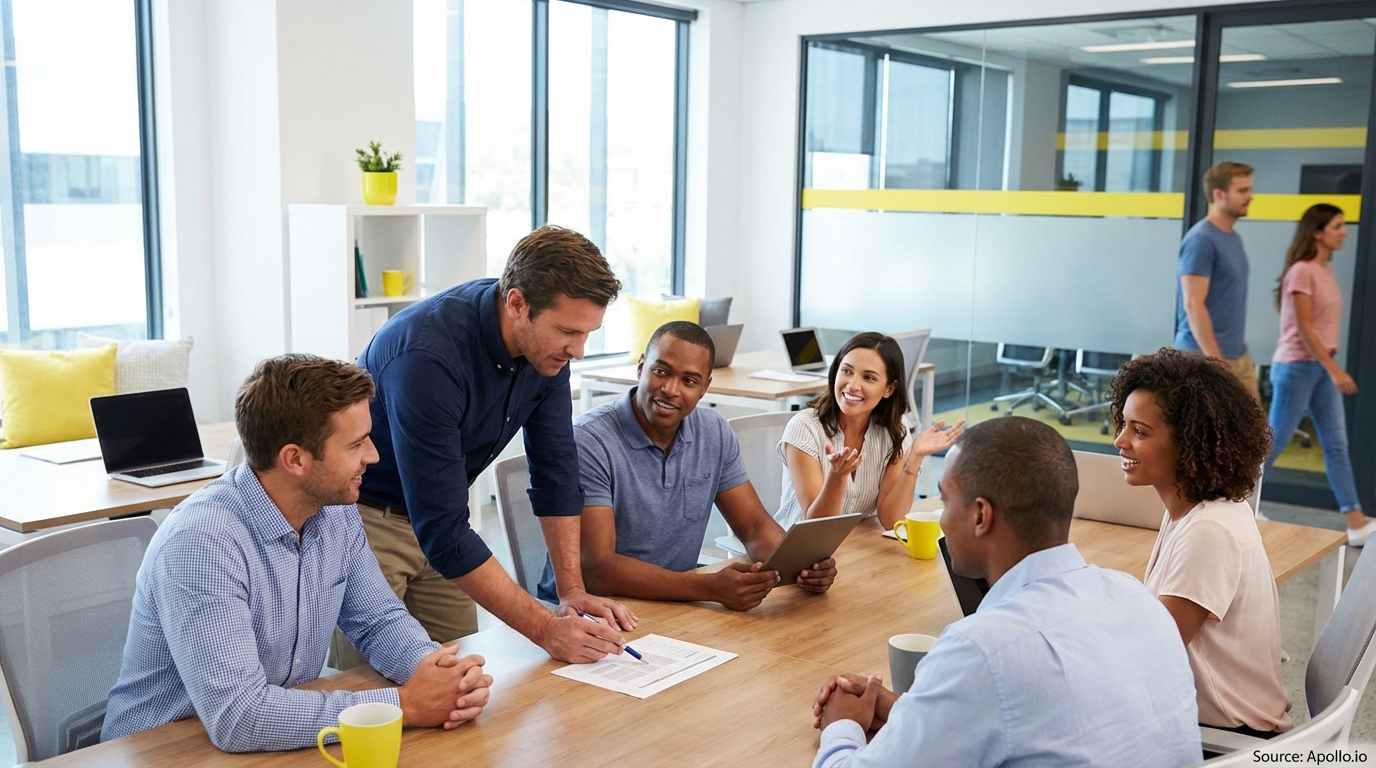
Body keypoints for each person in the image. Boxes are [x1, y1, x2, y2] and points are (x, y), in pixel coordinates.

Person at [102, 355, 493, 752]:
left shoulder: (335, 513)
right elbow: (240, 717)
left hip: (265, 739)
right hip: (166, 750)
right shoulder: (202, 544)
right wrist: (404, 706)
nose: (373, 456)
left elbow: (378, 621)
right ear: (295, 459)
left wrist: (442, 676)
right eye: (356, 444)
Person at [810, 417, 1199, 768]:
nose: (943, 517)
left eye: (945, 500)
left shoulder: (982, 648)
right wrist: (913, 712)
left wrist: (842, 725)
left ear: (981, 515)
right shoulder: (1136, 598)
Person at [335, 225, 635, 671]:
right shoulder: (428, 357)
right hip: (365, 522)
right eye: (568, 331)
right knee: (371, 691)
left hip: (446, 523)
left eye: (588, 333)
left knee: (465, 675)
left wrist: (570, 593)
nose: (579, 350)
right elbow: (442, 529)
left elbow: (555, 470)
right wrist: (545, 628)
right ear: (517, 303)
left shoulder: (546, 352)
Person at [537, 321, 837, 611]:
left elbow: (755, 528)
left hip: (675, 606)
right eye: (660, 371)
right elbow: (597, 568)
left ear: (705, 387)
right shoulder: (590, 440)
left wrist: (801, 568)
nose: (670, 389)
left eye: (689, 381)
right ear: (641, 367)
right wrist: (707, 588)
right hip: (592, 612)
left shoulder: (713, 431)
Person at [1111, 348, 1293, 737]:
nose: (1119, 441)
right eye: (1123, 424)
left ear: (1190, 444)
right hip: (1204, 719)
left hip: (1225, 737)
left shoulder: (1208, 530)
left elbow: (1151, 652)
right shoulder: (1196, 506)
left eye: (1139, 431)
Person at [775, 332, 963, 531]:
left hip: (859, 546)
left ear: (889, 389)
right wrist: (837, 477)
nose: (853, 385)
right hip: (801, 551)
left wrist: (915, 456)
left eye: (869, 377)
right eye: (846, 371)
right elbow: (815, 526)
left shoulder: (895, 429)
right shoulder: (804, 427)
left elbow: (891, 520)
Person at [1266, 204, 1373, 546]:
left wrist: (1328, 367)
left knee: (1337, 446)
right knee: (1273, 442)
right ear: (1317, 232)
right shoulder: (1301, 271)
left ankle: (1355, 523)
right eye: (1337, 226)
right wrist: (1335, 369)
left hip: (1320, 367)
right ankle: (1239, 503)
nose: (1344, 232)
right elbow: (1304, 329)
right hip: (1297, 367)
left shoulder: (1324, 269)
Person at [1175, 160, 1259, 400]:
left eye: (1250, 190)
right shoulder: (1201, 240)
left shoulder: (1233, 238)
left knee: (1252, 435)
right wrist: (1217, 361)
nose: (1250, 197)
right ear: (1218, 194)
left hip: (1236, 354)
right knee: (1210, 436)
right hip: (1202, 357)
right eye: (1242, 191)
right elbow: (1193, 304)